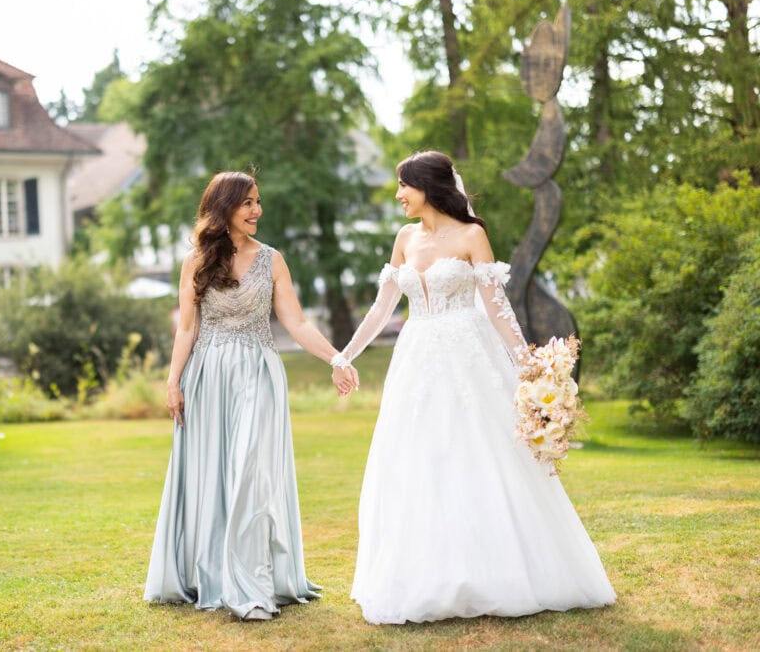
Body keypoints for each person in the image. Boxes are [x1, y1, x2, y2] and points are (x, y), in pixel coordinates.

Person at [331, 150, 616, 625]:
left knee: (479, 454)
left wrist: (531, 368)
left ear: (427, 186)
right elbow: (383, 308)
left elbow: (498, 307)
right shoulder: (404, 237)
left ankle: (498, 571)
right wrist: (345, 355)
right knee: (418, 460)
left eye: (404, 185)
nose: (399, 195)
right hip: (416, 358)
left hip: (467, 356)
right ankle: (425, 575)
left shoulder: (471, 235)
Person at [145, 171, 358, 621]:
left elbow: (297, 324)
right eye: (247, 203)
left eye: (258, 201)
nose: (256, 210)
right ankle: (216, 575)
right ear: (224, 207)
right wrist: (173, 381)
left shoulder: (273, 260)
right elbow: (187, 327)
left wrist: (336, 359)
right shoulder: (196, 262)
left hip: (258, 374)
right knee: (214, 473)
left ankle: (252, 585)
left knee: (249, 472)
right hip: (208, 375)